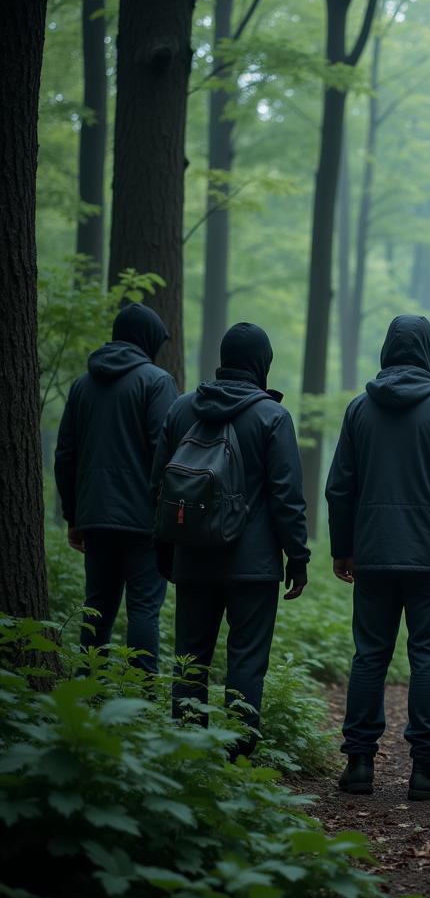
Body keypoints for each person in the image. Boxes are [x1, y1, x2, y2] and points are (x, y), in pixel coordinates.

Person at [327, 315, 430, 801]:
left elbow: (339, 487)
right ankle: (426, 770)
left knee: (369, 656)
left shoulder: (359, 410)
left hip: (374, 553)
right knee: (428, 660)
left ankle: (358, 766)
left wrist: (343, 548)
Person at [152, 322, 309, 756]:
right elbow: (287, 498)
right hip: (253, 565)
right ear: (262, 364)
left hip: (193, 556)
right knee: (246, 661)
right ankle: (239, 760)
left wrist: (165, 550)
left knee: (190, 656)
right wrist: (298, 559)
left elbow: (160, 488)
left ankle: (187, 754)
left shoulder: (182, 409)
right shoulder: (272, 417)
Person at [55, 303, 177, 674]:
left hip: (95, 516)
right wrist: (168, 517)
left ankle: (86, 693)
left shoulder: (82, 385)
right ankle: (139, 703)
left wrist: (74, 515)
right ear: (147, 340)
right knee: (143, 610)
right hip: (144, 521)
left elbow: (65, 455)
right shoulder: (157, 382)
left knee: (97, 609)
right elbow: (166, 454)